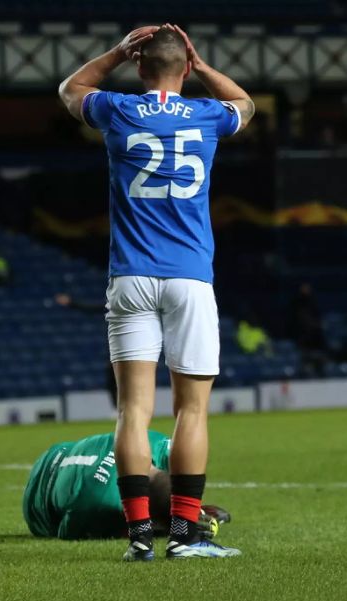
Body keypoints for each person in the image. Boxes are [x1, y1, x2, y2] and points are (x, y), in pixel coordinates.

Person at [59, 24, 255, 560]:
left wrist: (116, 53)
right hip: (190, 276)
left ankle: (140, 539)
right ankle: (187, 539)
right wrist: (200, 62)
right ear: (186, 68)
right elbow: (245, 103)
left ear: (140, 68)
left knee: (133, 412)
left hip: (131, 275)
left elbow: (69, 90)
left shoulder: (118, 109)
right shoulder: (207, 114)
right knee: (191, 411)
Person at [23, 430, 230, 541]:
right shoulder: (107, 507)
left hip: (56, 451)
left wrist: (193, 506)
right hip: (34, 503)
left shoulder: (152, 441)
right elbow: (63, 531)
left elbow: (180, 474)